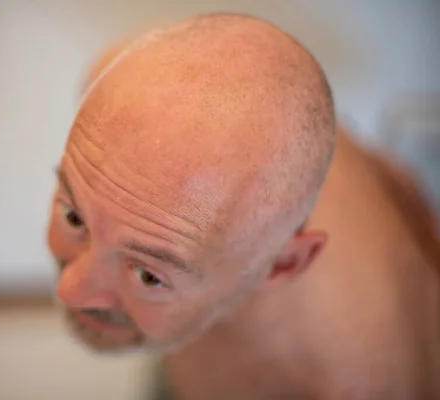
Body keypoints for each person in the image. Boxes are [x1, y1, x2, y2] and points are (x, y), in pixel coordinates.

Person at [47, 13, 440, 399]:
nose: (69, 290)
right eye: (74, 217)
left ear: (282, 264)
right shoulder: (126, 82)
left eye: (148, 276)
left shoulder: (355, 380)